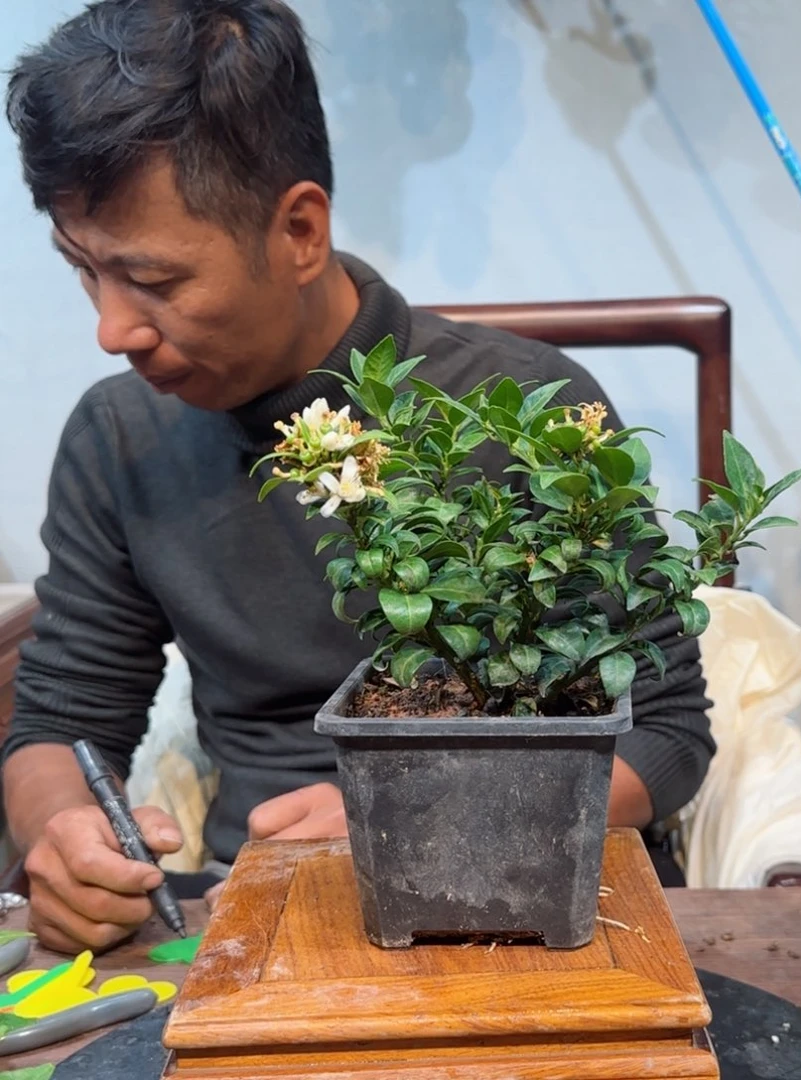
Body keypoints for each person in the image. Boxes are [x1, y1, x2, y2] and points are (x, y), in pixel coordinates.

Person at [1, 0, 714, 955]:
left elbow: (666, 734)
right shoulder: (122, 436)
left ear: (300, 230)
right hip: (264, 913)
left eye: (157, 282)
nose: (112, 328)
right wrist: (60, 834)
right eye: (84, 269)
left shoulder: (523, 412)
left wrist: (419, 815)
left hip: (529, 898)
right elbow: (61, 723)